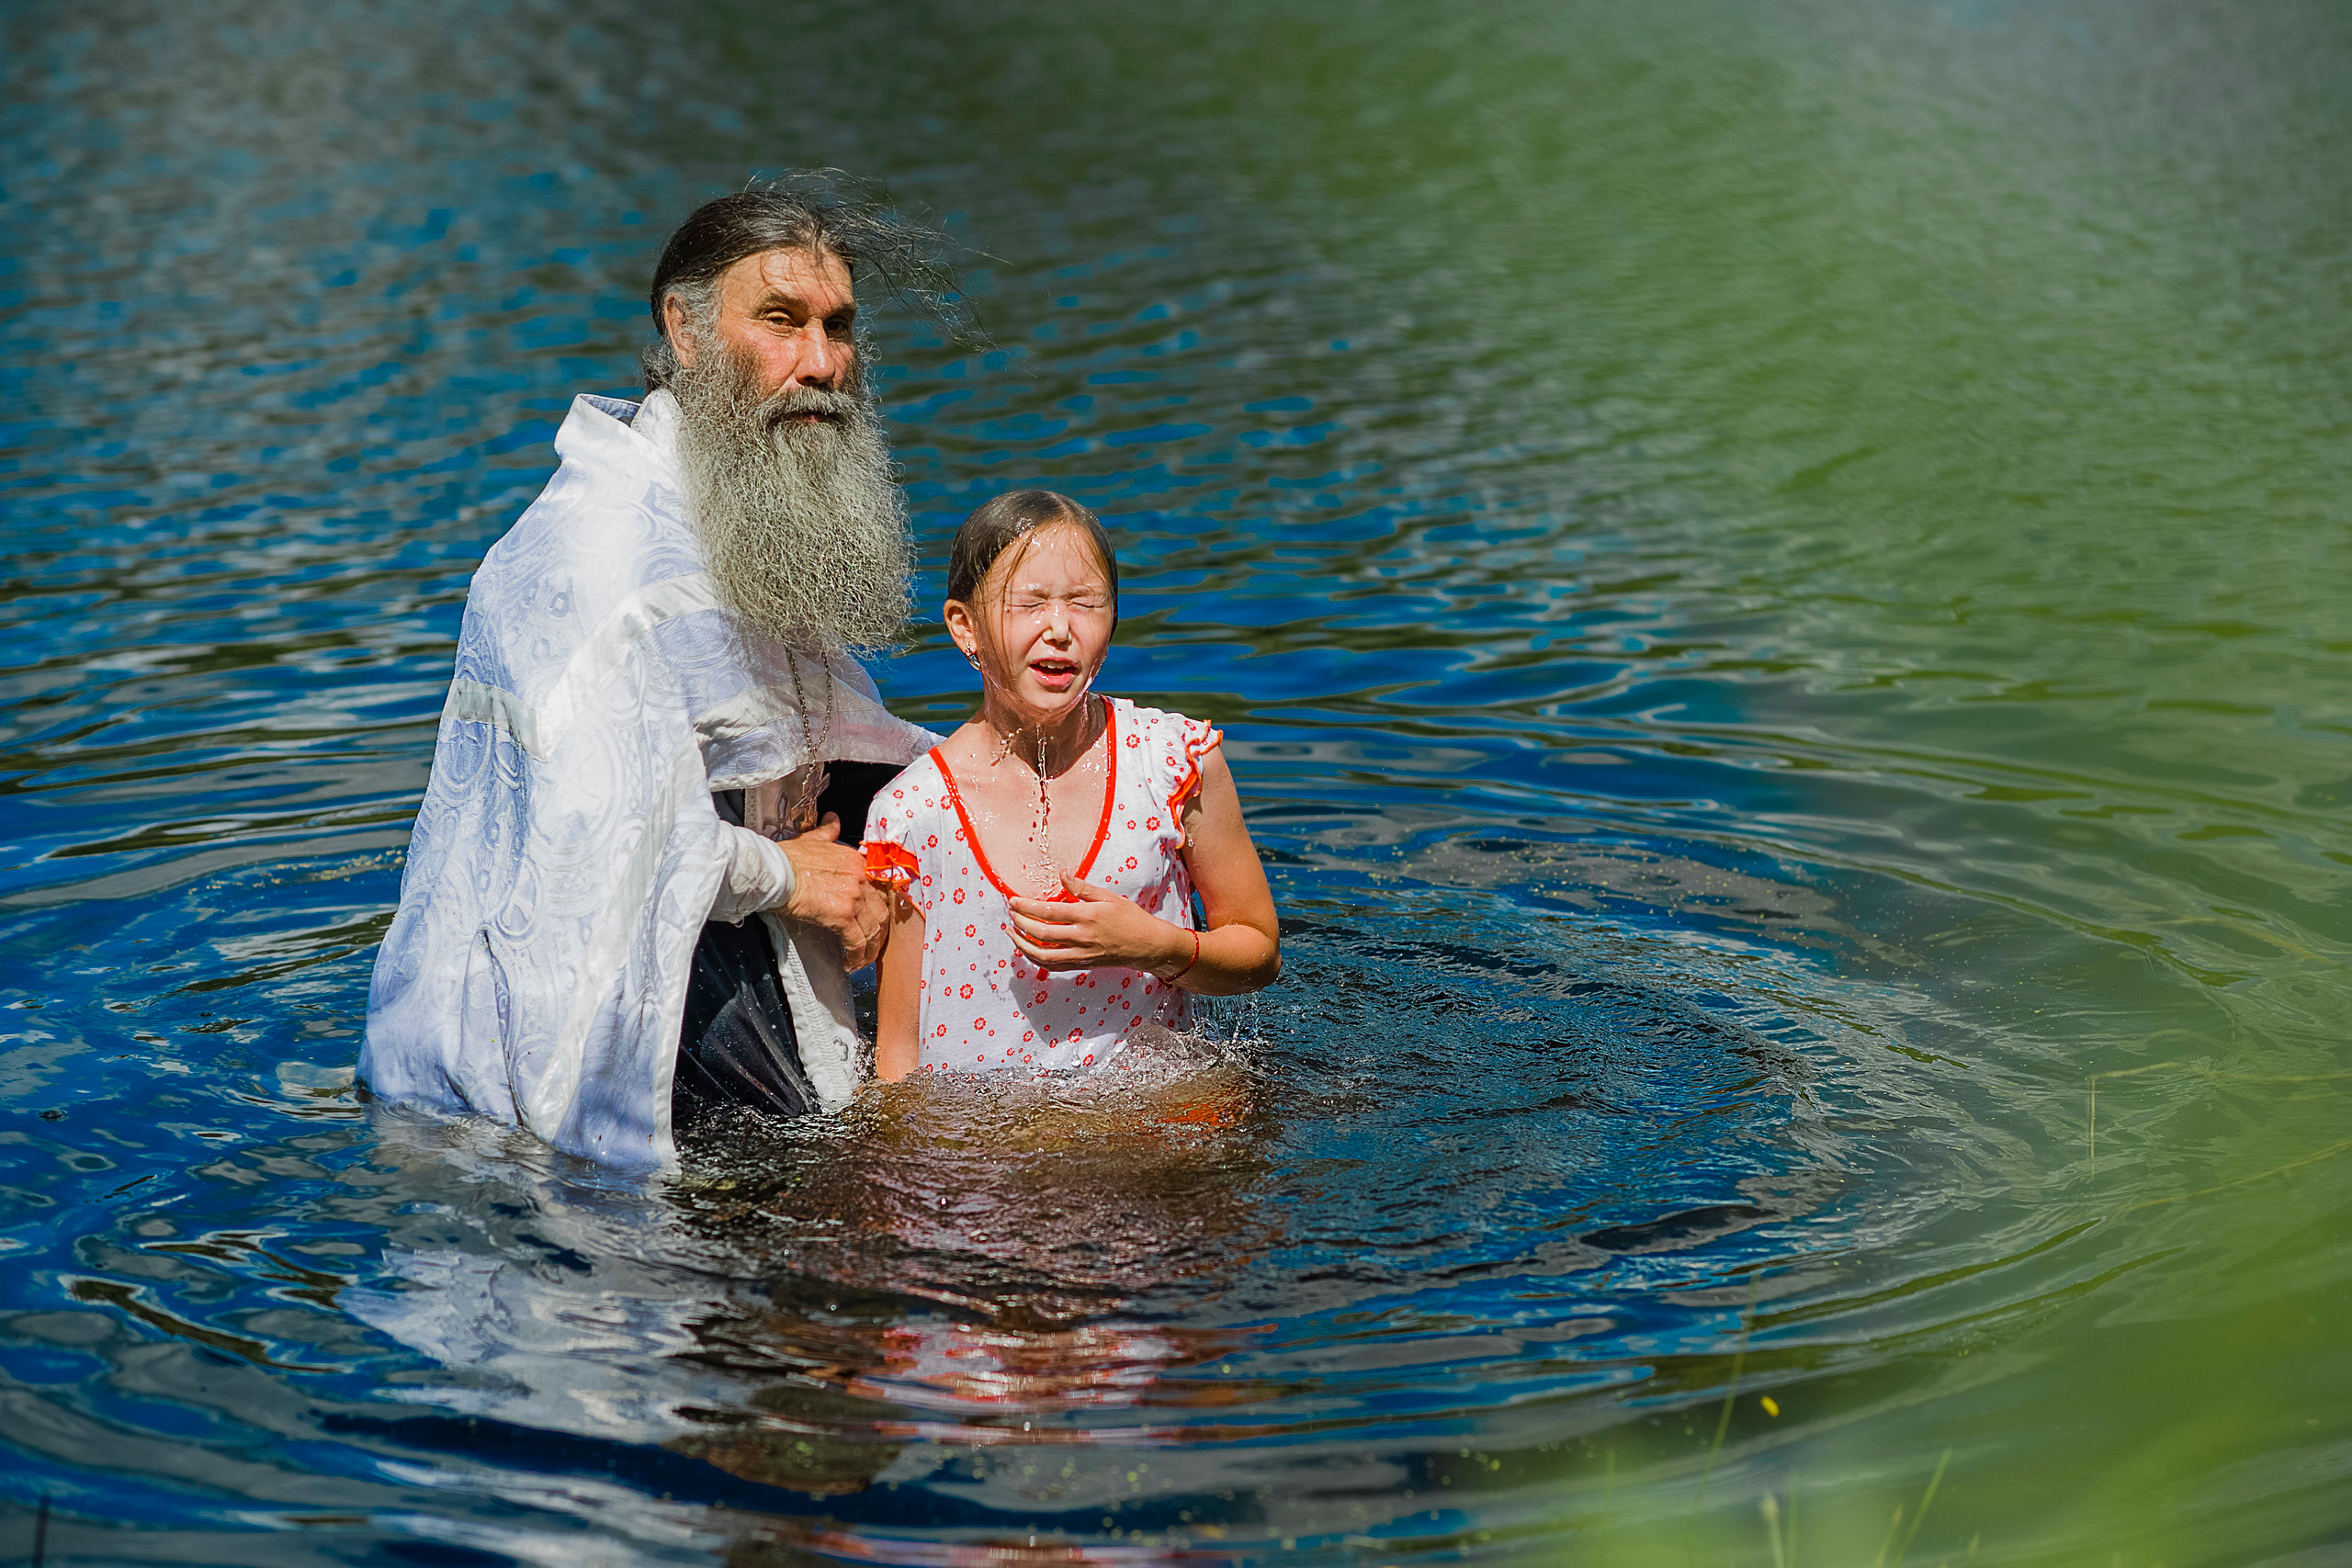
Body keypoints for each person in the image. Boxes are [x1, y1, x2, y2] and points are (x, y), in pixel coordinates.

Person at [359, 177, 956, 1169]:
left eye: (838, 326)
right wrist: (790, 878)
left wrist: (914, 849)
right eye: (781, 320)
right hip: (559, 1067)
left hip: (739, 963)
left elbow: (814, 739)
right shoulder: (597, 555)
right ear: (685, 330)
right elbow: (594, 848)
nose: (821, 363)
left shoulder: (736, 506)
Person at [863, 491, 1281, 1078]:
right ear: (965, 627)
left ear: (1112, 622)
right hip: (987, 1129)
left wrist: (1156, 946)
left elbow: (1259, 952)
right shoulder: (913, 814)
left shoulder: (1170, 764)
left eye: (1084, 603)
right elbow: (898, 1057)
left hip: (1155, 1116)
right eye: (1028, 603)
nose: (1059, 629)